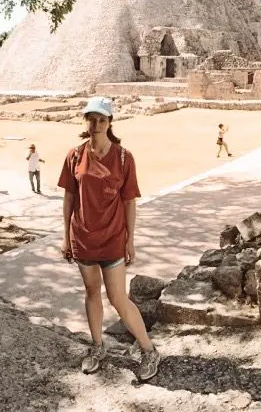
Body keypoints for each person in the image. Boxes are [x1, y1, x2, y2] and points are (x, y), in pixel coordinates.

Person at [57, 96, 161, 382]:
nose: (96, 124)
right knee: (92, 293)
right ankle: (98, 346)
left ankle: (149, 350)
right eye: (91, 119)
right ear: (86, 121)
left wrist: (130, 240)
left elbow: (129, 201)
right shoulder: (74, 155)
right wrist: (66, 237)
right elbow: (69, 197)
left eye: (102, 119)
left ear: (110, 122)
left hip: (113, 237)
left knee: (117, 298)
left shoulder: (124, 157)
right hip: (83, 237)